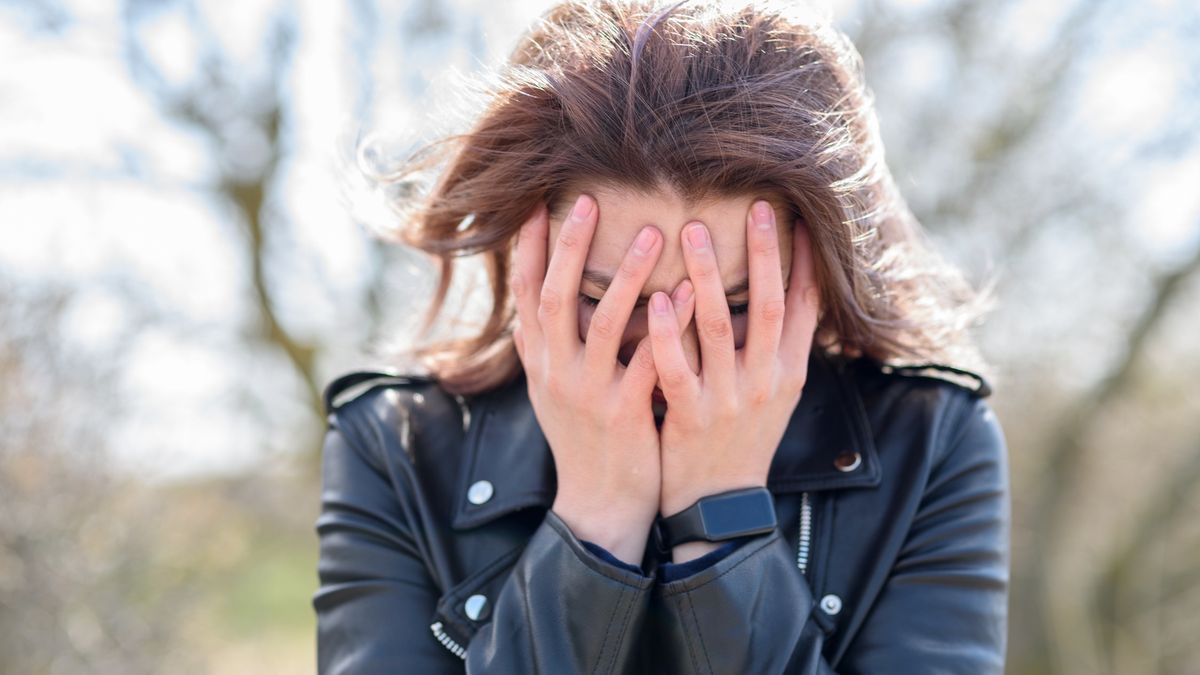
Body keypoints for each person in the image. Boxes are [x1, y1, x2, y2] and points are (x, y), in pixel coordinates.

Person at [313, 0, 1010, 673]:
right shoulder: (393, 449)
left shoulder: (931, 443)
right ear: (525, 256)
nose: (665, 354)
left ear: (816, 276)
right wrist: (594, 521)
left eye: (728, 304)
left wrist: (721, 515)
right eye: (604, 297)